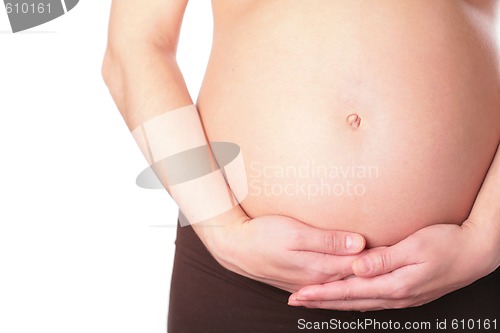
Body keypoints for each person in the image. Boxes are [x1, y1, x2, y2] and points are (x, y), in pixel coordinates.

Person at [102, 0, 500, 332]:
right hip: (242, 278)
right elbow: (135, 46)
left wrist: (485, 240)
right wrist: (223, 232)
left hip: (464, 277)